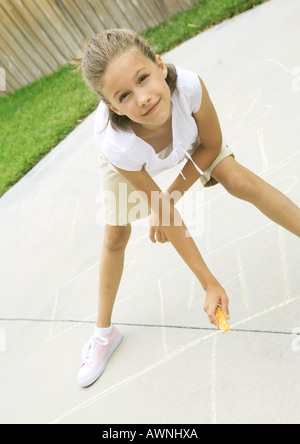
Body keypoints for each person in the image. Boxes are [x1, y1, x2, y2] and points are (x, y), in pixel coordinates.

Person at [73, 29, 300, 388]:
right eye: (125, 96)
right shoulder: (117, 145)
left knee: (236, 178)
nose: (143, 98)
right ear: (113, 108)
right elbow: (163, 214)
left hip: (193, 144)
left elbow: (210, 146)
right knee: (115, 235)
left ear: (160, 66)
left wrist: (172, 195)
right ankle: (104, 334)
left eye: (143, 78)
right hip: (131, 163)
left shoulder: (189, 89)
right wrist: (208, 283)